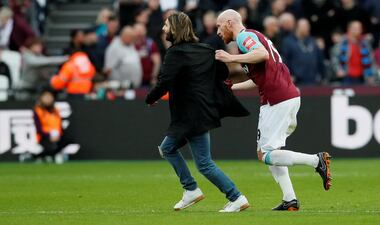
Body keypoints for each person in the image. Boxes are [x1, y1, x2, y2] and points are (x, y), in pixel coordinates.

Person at [215, 9, 332, 211]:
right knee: (270, 151)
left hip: (277, 98)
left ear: (229, 22)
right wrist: (232, 88)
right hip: (283, 96)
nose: (217, 31)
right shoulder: (252, 39)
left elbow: (261, 55)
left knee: (266, 154)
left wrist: (230, 59)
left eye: (218, 26)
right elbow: (258, 77)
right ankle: (290, 200)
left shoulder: (244, 36)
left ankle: (316, 160)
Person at [145, 12, 250, 213]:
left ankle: (233, 196)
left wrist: (150, 98)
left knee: (202, 163)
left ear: (175, 29)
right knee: (169, 148)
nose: (164, 29)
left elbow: (164, 82)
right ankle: (192, 189)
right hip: (201, 111)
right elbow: (222, 73)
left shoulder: (175, 53)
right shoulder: (206, 49)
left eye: (166, 25)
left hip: (190, 114)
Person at [331, 21, 375, 85]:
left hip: (362, 77)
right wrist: (338, 70)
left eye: (359, 28)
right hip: (346, 77)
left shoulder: (365, 44)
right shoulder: (341, 43)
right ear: (349, 29)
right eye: (355, 28)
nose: (358, 30)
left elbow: (371, 60)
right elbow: (334, 58)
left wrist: (371, 75)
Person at [281, 18, 325, 85]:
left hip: (313, 80)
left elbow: (319, 60)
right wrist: (289, 75)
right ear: (297, 27)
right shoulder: (288, 41)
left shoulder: (313, 41)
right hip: (296, 80)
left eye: (308, 26)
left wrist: (322, 76)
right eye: (304, 26)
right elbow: (285, 60)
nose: (307, 28)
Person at [33, 89, 68, 164]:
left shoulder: (55, 110)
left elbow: (59, 124)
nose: (48, 99)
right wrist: (49, 135)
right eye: (46, 97)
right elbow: (38, 128)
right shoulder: (38, 110)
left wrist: (58, 134)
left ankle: (47, 156)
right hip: (44, 136)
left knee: (66, 141)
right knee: (50, 147)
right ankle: (38, 156)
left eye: (50, 97)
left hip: (56, 135)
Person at [132, 23, 161, 87]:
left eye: (141, 31)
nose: (139, 34)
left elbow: (157, 62)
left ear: (145, 32)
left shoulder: (150, 44)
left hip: (147, 80)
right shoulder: (129, 44)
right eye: (137, 31)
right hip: (132, 79)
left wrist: (154, 77)